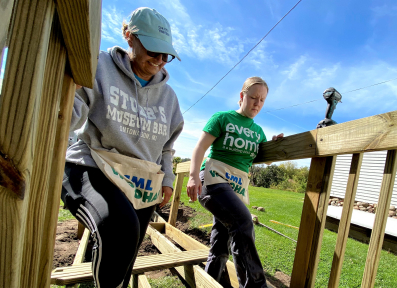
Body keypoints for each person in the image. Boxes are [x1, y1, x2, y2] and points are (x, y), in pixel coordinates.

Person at [61, 7, 184, 287]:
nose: (160, 60)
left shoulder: (169, 99)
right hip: (92, 167)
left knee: (126, 250)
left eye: (167, 55)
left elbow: (167, 147)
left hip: (140, 181)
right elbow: (67, 114)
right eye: (154, 50)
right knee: (119, 228)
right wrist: (65, 90)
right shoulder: (97, 66)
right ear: (129, 36)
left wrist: (167, 178)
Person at [187, 76, 283, 287]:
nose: (257, 103)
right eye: (253, 97)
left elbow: (265, 159)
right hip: (213, 179)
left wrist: (274, 144)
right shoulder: (222, 118)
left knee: (221, 240)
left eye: (262, 100)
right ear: (242, 96)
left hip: (235, 187)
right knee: (242, 222)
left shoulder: (258, 132)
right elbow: (200, 148)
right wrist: (193, 176)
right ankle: (255, 285)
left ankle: (210, 280)